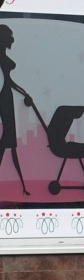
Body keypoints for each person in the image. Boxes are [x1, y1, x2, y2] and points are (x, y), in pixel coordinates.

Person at [0, 24, 31, 196]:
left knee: (9, 142)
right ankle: (22, 186)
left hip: (7, 97)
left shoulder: (3, 57)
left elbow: (9, 82)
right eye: (10, 36)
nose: (12, 39)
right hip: (3, 99)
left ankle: (22, 186)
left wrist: (25, 93)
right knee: (8, 141)